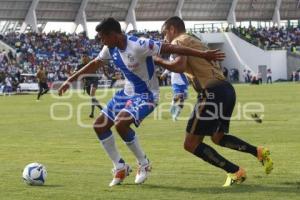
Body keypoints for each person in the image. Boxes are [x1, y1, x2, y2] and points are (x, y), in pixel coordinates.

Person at [58, 17, 225, 187]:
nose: (102, 41)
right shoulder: (109, 48)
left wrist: (203, 54)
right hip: (126, 93)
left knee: (121, 123)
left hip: (147, 95)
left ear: (114, 34)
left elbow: (169, 47)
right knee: (99, 125)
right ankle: (120, 166)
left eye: (103, 37)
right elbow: (95, 64)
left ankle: (144, 163)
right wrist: (70, 80)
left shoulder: (139, 44)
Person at [154, 16, 273, 187]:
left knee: (190, 143)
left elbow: (179, 66)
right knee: (218, 137)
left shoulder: (179, 41)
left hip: (212, 92)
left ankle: (235, 171)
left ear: (172, 29)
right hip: (226, 89)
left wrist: (157, 60)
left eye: (165, 34)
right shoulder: (195, 40)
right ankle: (259, 152)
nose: (165, 39)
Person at [76, 53, 102, 118]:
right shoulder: (79, 66)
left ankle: (92, 113)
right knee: (93, 98)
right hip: (87, 83)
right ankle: (103, 110)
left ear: (88, 57)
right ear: (81, 58)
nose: (84, 58)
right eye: (83, 56)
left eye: (85, 56)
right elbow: (75, 73)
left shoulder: (92, 63)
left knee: (92, 94)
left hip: (94, 80)